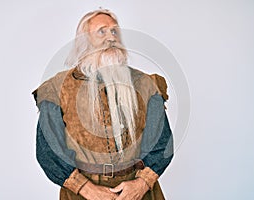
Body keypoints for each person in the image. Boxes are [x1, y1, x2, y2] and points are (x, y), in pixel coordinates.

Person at [32, 9, 173, 200]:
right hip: (83, 195)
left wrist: (142, 184)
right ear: (84, 42)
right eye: (102, 31)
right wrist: (85, 189)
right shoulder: (57, 89)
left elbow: (161, 142)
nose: (111, 38)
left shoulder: (146, 85)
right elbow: (48, 151)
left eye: (115, 31)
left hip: (139, 193)